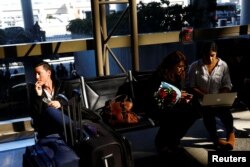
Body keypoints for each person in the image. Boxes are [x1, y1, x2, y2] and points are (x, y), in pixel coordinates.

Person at [144, 50, 200, 153]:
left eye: (183, 67)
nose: (181, 69)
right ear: (171, 65)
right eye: (179, 66)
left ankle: (173, 140)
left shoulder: (176, 76)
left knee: (194, 110)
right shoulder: (159, 76)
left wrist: (182, 96)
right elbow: (155, 96)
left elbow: (175, 92)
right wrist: (178, 95)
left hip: (171, 104)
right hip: (158, 107)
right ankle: (164, 141)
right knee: (177, 115)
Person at [187, 41, 235, 150]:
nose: (210, 58)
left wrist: (221, 95)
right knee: (208, 112)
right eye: (207, 55)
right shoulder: (195, 66)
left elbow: (227, 84)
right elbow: (191, 86)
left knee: (225, 112)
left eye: (212, 55)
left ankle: (230, 133)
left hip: (218, 97)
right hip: (201, 99)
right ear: (202, 54)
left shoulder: (223, 65)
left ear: (216, 53)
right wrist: (204, 96)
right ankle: (215, 138)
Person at [29, 61, 70, 139]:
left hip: (66, 128)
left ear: (48, 73)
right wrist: (39, 96)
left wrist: (60, 103)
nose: (37, 77)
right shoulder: (34, 92)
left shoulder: (63, 86)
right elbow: (36, 115)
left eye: (39, 73)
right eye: (35, 74)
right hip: (48, 131)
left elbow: (72, 101)